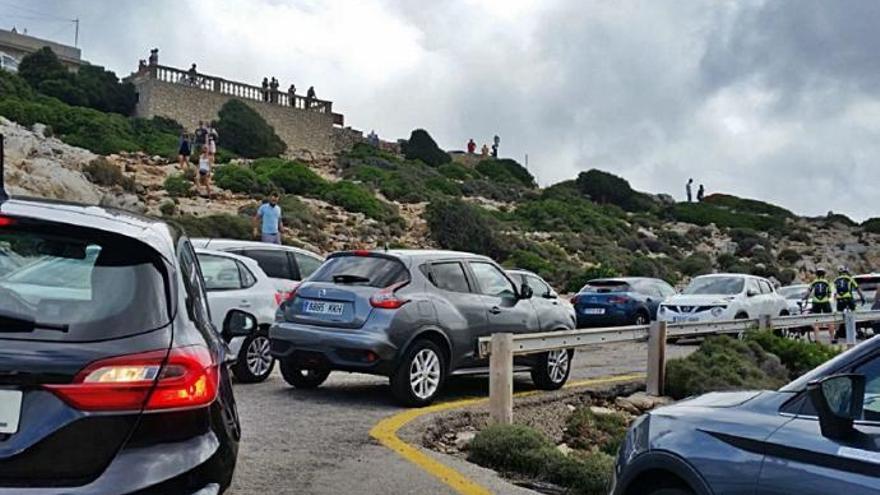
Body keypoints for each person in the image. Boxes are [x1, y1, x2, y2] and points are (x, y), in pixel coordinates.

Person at [834, 265, 866, 341]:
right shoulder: (850, 278)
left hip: (839, 300)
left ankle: (837, 334)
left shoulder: (836, 280)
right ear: (846, 271)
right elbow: (857, 288)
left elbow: (835, 292)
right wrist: (862, 297)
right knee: (854, 313)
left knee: (839, 316)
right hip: (848, 298)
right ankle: (859, 331)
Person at [804, 267, 834, 343]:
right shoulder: (827, 282)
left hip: (816, 302)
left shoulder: (814, 282)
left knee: (816, 321)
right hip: (825, 302)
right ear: (824, 274)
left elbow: (808, 292)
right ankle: (832, 338)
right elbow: (830, 294)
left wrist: (804, 298)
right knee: (829, 320)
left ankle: (817, 339)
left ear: (816, 274)